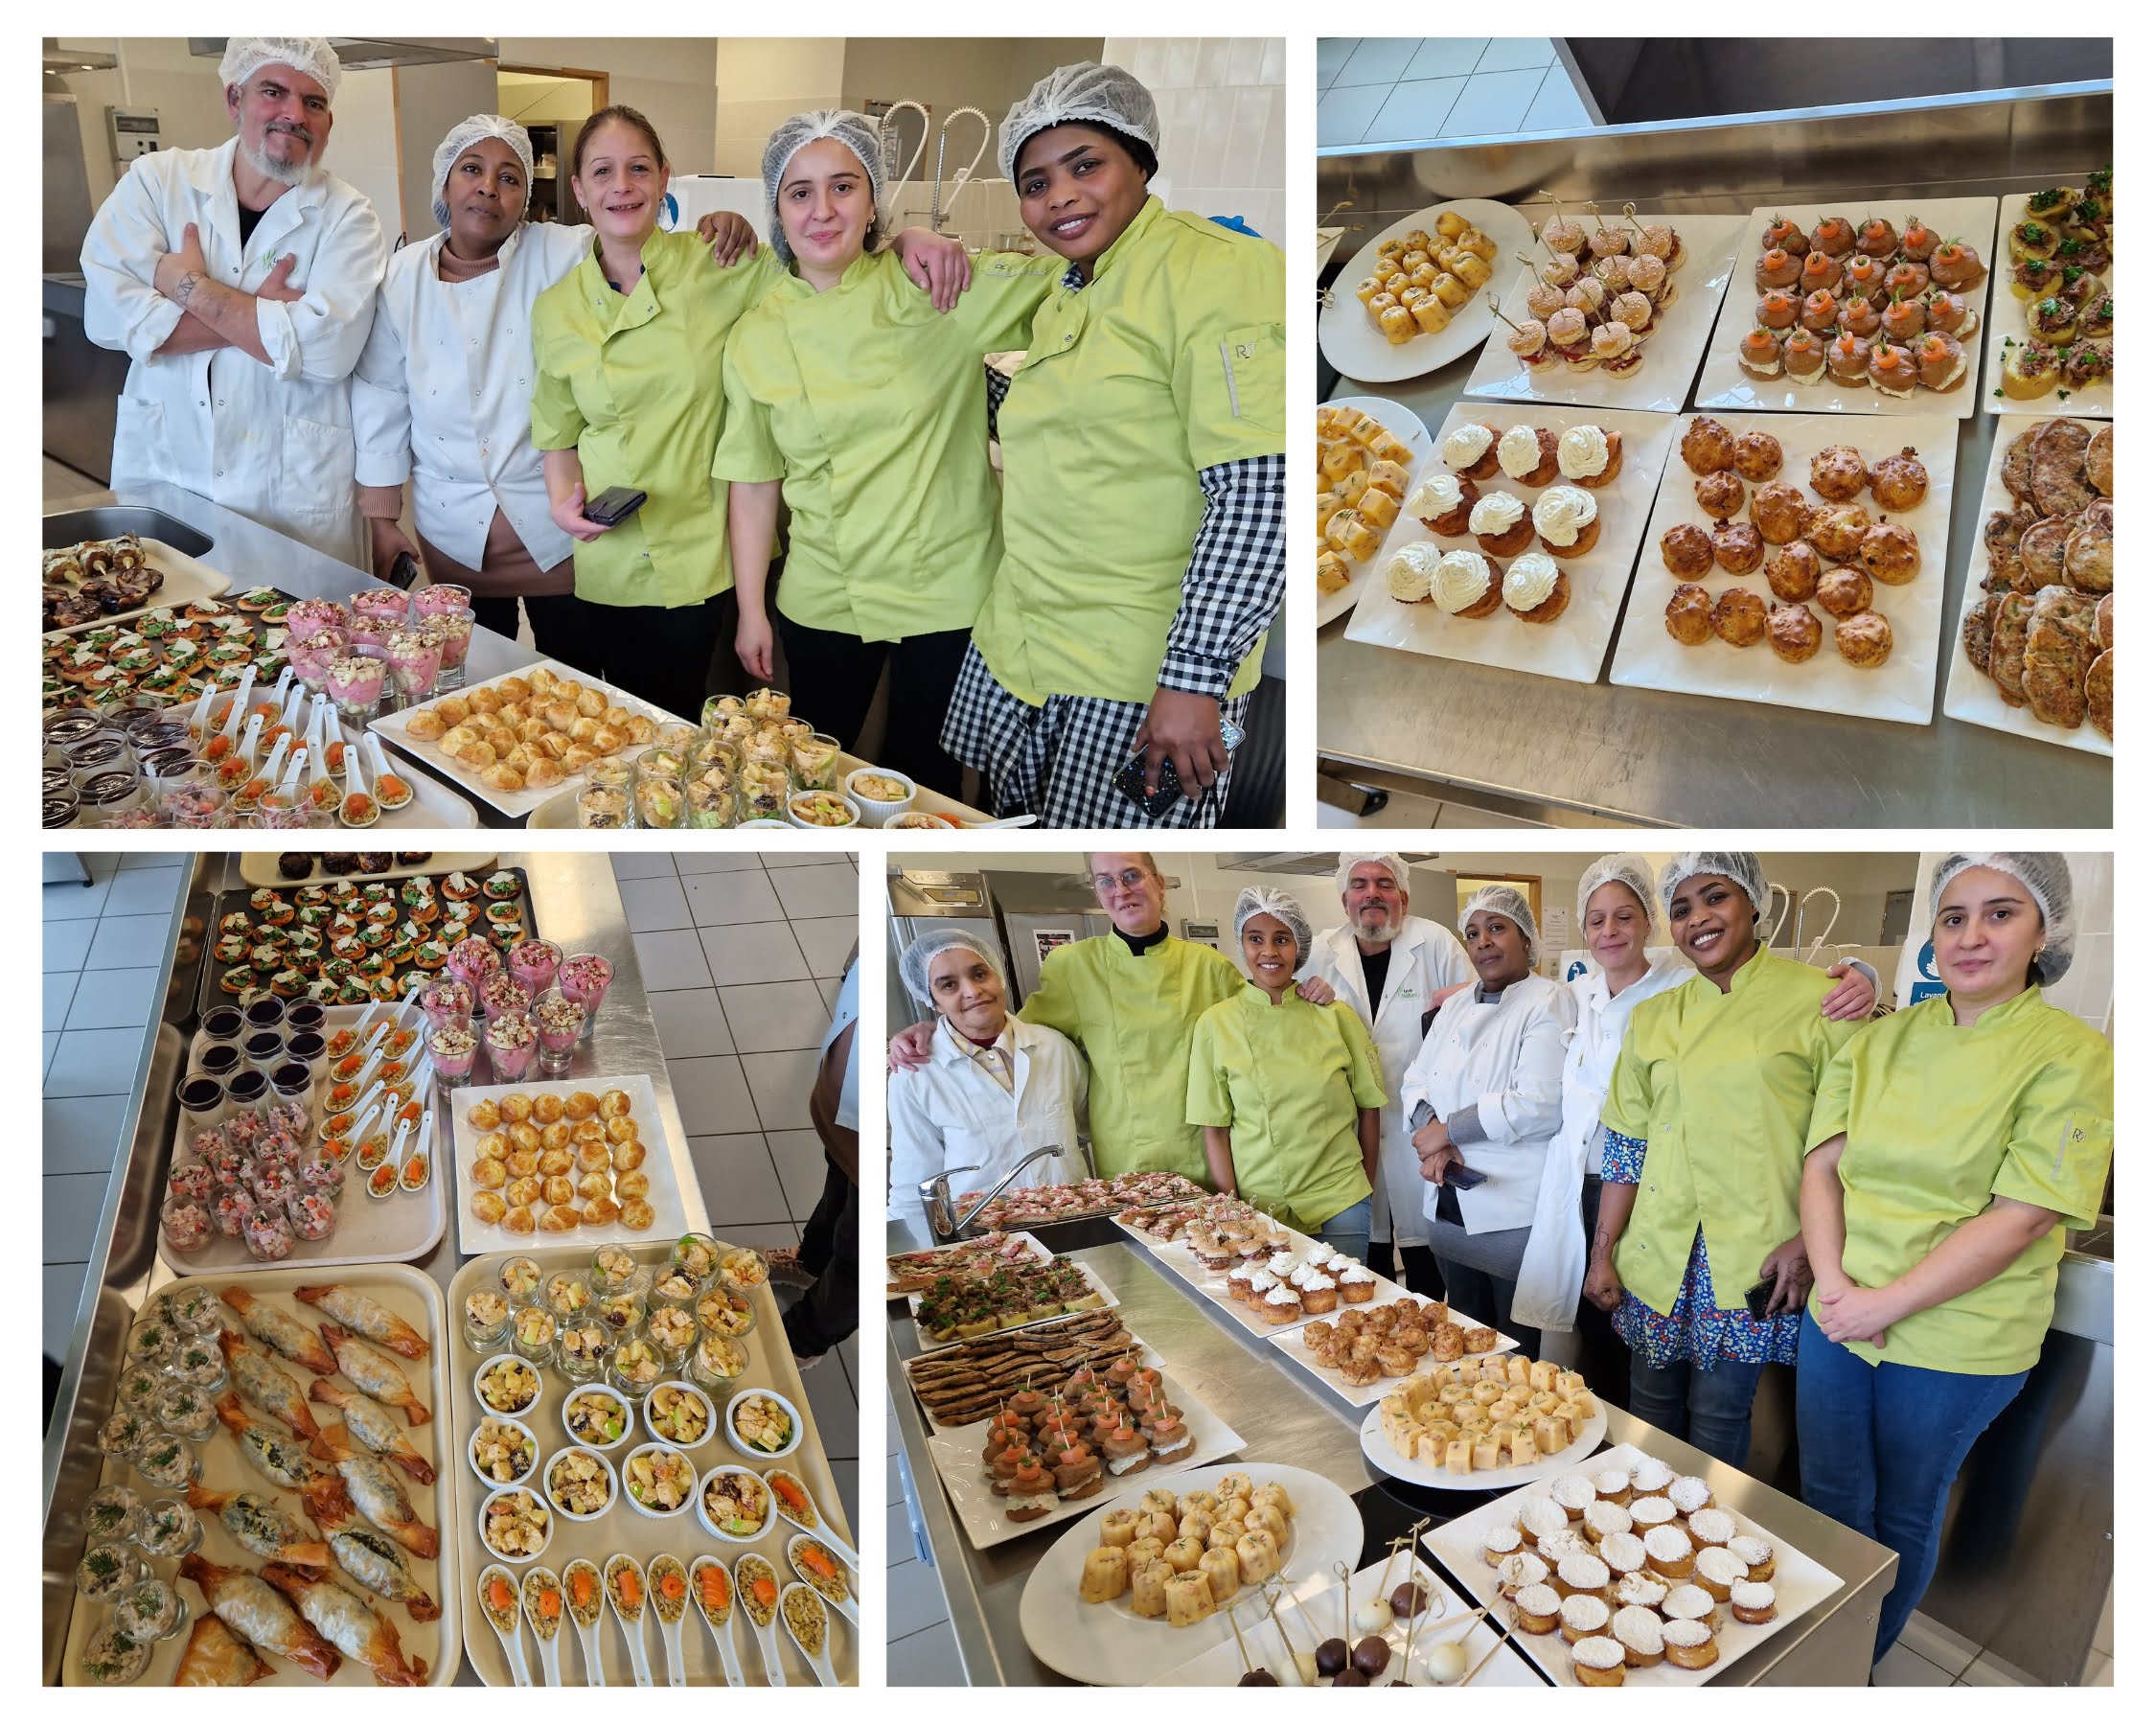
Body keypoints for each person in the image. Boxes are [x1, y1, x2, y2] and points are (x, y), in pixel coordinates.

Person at [529, 105, 968, 720]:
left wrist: (902, 243)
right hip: (611, 558)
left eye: (638, 168)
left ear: (664, 179)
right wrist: (561, 502)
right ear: (578, 190)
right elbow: (557, 432)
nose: (621, 186)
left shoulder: (722, 262)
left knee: (711, 736)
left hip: (713, 558)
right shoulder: (554, 309)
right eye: (602, 172)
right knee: (617, 730)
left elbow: (823, 268)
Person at [942, 63, 1286, 827]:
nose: (1059, 195)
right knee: (1020, 833)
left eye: (1085, 166)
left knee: (1107, 858)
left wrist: (1194, 681)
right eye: (1035, 183)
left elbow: (1264, 494)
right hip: (1030, 647)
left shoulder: (1219, 271)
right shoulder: (1074, 284)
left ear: (1140, 161)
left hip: (1143, 679)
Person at [1797, 854, 2110, 1664]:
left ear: (2045, 932)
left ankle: (1849, 1669)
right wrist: (1834, 1287)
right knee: (1828, 1498)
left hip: (1957, 1337)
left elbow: (2021, 1216)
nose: (1972, 935)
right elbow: (1822, 1166)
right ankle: (1814, 1659)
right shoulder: (1880, 1039)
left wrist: (1883, 1303)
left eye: (2001, 914)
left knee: (1904, 1509)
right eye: (1954, 917)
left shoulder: (2072, 1055)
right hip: (1838, 1314)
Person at [715, 113, 1062, 795]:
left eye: (844, 187)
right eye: (799, 192)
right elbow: (755, 482)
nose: (822, 211)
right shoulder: (756, 333)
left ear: (874, 199)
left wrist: (926, 238)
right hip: (824, 591)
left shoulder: (937, 287)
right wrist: (752, 608)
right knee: (817, 772)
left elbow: (1074, 283)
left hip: (947, 586)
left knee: (927, 778)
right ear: (776, 209)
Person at [353, 114, 757, 661]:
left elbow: (635, 234)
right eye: (471, 169)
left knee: (573, 670)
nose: (488, 188)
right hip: (450, 522)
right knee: (472, 677)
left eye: (510, 177)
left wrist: (723, 224)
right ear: (445, 183)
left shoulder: (562, 250)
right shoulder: (401, 276)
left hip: (553, 519)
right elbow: (381, 394)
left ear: (528, 199)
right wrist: (380, 518)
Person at [1527, 855, 1877, 1400]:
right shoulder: (1657, 1016)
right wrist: (1603, 1256)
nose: (1699, 919)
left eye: (1716, 898)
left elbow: (1858, 1143)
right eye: (1682, 908)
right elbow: (1626, 1148)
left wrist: (1808, 1240)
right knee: (1647, 1407)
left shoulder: (1820, 1001)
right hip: (1657, 1252)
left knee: (1723, 1418)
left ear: (1754, 903)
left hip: (1755, 1257)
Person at [81, 36, 387, 564]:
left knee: (299, 638)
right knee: (165, 632)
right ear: (234, 100)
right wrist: (266, 316)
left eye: (313, 102)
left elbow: (325, 353)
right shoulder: (157, 183)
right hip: (171, 470)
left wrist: (188, 287)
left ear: (328, 124)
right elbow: (107, 318)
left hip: (293, 499)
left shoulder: (348, 218)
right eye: (273, 91)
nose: (293, 114)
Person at [890, 853, 1326, 1184]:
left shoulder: (1208, 966)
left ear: (1159, 884)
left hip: (1210, 1152)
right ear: (1098, 893)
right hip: (1126, 1160)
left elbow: (1262, 1021)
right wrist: (933, 1028)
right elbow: (1003, 1032)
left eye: (1132, 875)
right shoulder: (1071, 966)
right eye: (1107, 881)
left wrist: (1308, 991)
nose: (1122, 889)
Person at [1399, 886, 1575, 1358]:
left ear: (1526, 938)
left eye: (1497, 928)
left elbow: (1537, 1103)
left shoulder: (1548, 1001)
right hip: (1446, 1202)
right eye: (1473, 933)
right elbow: (1415, 1079)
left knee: (1513, 1352)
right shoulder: (1454, 1006)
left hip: (1510, 1215)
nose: (1483, 942)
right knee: (1462, 1341)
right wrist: (1435, 1137)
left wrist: (1449, 1130)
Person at [1301, 852, 1474, 1298]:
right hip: (1348, 1130)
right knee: (1366, 1262)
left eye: (1384, 883)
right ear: (1345, 899)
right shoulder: (1321, 951)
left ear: (1404, 896)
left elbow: (1476, 1018)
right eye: (1359, 884)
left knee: (1428, 1261)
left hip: (1426, 1127)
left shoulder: (1435, 943)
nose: (1371, 893)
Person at [1188, 888, 1384, 1262]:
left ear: (1299, 945)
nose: (1269, 952)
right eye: (1255, 939)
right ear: (1241, 945)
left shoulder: (1335, 1016)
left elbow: (1369, 1108)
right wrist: (1233, 1209)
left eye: (1281, 939)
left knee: (1348, 1306)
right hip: (1259, 1205)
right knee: (1271, 1313)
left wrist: (1366, 1186)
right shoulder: (1216, 1024)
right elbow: (1213, 1127)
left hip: (1340, 1197)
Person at [886, 929, 1088, 1209]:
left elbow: (1090, 1126)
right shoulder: (915, 1073)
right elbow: (913, 1185)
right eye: (949, 985)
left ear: (998, 976)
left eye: (979, 974)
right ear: (932, 1000)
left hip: (1072, 1217)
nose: (972, 991)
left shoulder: (1054, 1047)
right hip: (984, 1236)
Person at [778, 957, 860, 1368]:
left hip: (881, 1131)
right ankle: (809, 1263)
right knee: (838, 1189)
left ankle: (802, 1341)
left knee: (858, 1250)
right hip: (846, 1103)